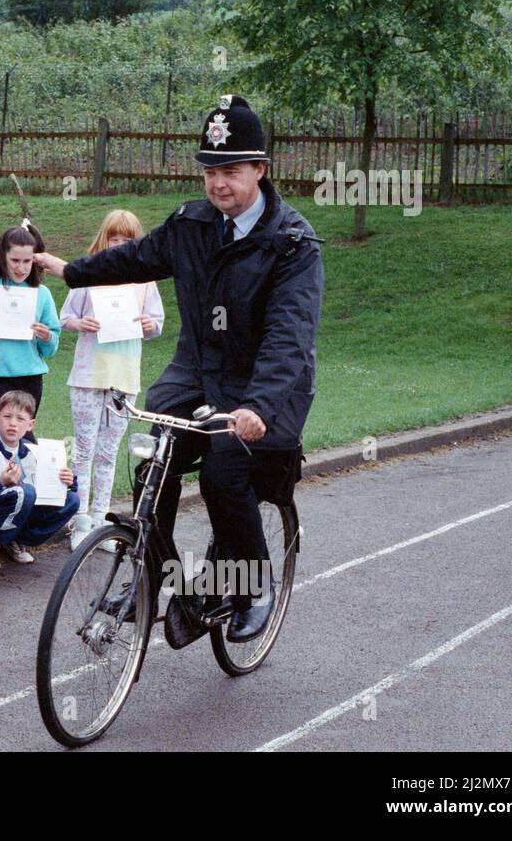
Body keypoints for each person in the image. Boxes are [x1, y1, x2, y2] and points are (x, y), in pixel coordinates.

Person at [35, 94, 324, 643]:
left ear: (260, 170)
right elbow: (135, 257)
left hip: (264, 386)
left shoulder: (292, 244)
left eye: (231, 171)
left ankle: (252, 584)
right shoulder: (192, 223)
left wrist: (258, 406)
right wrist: (74, 271)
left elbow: (289, 337)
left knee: (224, 470)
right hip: (195, 373)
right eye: (210, 171)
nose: (218, 184)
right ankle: (152, 576)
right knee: (153, 460)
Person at [59, 210, 165, 549]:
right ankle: (80, 522)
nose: (119, 246)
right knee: (84, 450)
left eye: (127, 241)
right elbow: (65, 317)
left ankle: (103, 521)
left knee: (108, 452)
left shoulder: (145, 281)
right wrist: (80, 323)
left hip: (124, 376)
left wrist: (150, 325)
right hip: (89, 374)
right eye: (114, 239)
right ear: (104, 240)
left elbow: (156, 323)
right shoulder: (89, 274)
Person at [0, 390, 78, 568]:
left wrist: (68, 482)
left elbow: (49, 490)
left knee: (72, 500)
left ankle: (17, 541)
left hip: (21, 509)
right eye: (7, 416)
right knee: (24, 492)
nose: (13, 423)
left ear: (30, 424)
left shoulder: (34, 451)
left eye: (20, 419)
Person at [0, 224, 61, 423]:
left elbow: (51, 348)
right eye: (14, 260)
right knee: (8, 430)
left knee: (22, 431)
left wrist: (46, 336)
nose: (21, 268)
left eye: (27, 261)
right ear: (2, 256)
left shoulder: (43, 293)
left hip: (31, 377)